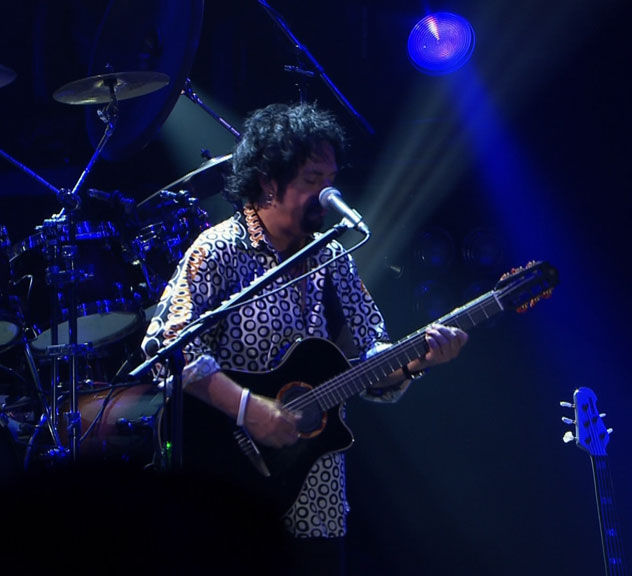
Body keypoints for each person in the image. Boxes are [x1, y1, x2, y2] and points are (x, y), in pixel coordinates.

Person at [140, 101, 468, 574]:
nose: (328, 193)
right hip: (227, 484)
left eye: (331, 178)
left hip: (317, 493)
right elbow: (170, 348)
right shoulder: (218, 250)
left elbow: (372, 353)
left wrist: (418, 360)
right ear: (268, 182)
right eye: (313, 179)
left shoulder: (332, 258)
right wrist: (249, 410)